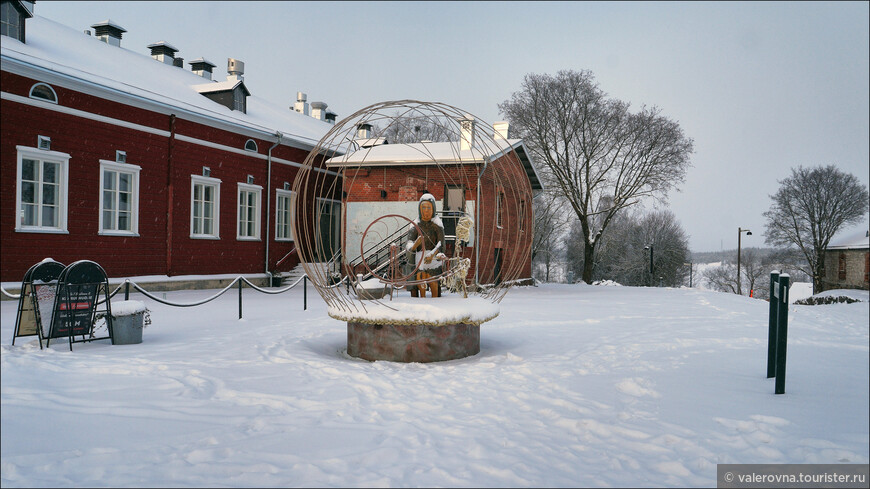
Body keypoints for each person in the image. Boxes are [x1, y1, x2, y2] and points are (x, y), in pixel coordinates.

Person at [406, 193, 446, 298]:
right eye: (424, 207)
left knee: (432, 278)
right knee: (421, 276)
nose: (426, 210)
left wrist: (432, 254)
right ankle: (422, 300)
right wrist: (415, 245)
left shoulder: (437, 224)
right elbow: (409, 244)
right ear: (420, 209)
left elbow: (441, 244)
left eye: (429, 207)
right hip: (420, 257)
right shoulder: (415, 225)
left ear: (433, 208)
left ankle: (435, 299)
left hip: (433, 257)